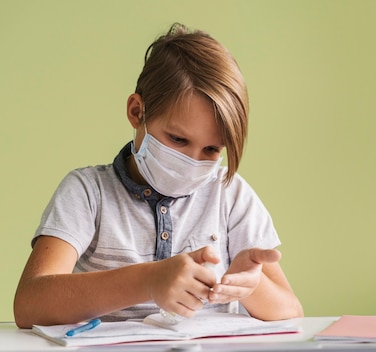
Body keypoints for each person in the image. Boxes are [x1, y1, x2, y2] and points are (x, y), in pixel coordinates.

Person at [13, 23, 303, 328]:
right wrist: (149, 280)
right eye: (178, 140)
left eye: (211, 150)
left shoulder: (231, 196)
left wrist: (250, 285)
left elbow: (292, 313)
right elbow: (29, 306)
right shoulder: (87, 192)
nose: (191, 162)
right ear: (137, 112)